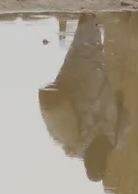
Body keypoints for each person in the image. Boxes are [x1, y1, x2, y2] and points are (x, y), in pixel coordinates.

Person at [39, 15, 130, 184]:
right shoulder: (76, 146)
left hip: (91, 85)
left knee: (88, 52)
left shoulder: (111, 141)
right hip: (81, 86)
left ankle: (87, 20)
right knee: (84, 52)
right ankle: (87, 20)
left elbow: (125, 115)